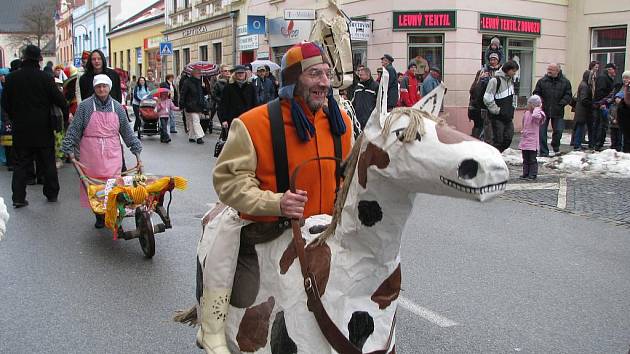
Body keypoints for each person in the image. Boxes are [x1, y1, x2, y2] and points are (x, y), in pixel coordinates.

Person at [199, 40, 352, 354]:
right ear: (292, 81)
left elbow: (350, 180)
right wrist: (276, 202)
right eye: (314, 74)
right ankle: (210, 326)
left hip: (323, 241)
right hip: (268, 234)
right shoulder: (254, 124)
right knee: (222, 256)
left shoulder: (342, 124)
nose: (324, 82)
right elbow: (228, 183)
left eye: (326, 74)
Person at [61, 74, 142, 228]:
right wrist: (69, 148)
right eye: (98, 86)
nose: (101, 89)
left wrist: (136, 150)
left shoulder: (117, 107)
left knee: (113, 184)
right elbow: (75, 129)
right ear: (94, 88)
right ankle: (99, 214)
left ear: (109, 88)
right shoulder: (85, 106)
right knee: (94, 186)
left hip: (112, 151)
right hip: (91, 152)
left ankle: (114, 213)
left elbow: (126, 132)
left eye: (104, 86)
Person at [1, 45, 67, 208]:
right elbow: (60, 100)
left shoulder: (11, 78)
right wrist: (63, 118)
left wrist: (15, 116)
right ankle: (51, 193)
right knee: (48, 162)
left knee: (21, 164)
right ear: (38, 59)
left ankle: (18, 197)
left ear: (23, 58)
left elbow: (4, 104)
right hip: (43, 128)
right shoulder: (45, 78)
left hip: (21, 129)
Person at [533, 63, 572, 157]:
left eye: (552, 69)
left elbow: (568, 95)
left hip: (558, 110)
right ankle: (543, 152)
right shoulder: (542, 81)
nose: (549, 71)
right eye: (548, 69)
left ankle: (555, 145)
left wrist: (561, 103)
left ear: (558, 71)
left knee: (558, 131)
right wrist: (539, 102)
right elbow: (536, 93)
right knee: (542, 132)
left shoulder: (565, 82)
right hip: (544, 110)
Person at [483, 60, 519, 152]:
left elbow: (513, 96)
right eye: (513, 71)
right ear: (507, 69)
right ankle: (493, 158)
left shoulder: (511, 81)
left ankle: (497, 155)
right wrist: (497, 110)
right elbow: (487, 98)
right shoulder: (495, 80)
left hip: (508, 116)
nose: (515, 73)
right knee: (498, 140)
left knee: (508, 138)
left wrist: (512, 108)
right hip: (497, 117)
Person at [219, 65, 257, 131]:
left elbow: (255, 103)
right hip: (233, 118)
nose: (240, 74)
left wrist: (255, 117)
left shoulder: (251, 86)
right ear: (235, 74)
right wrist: (224, 119)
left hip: (247, 117)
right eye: (238, 73)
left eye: (242, 73)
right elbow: (224, 104)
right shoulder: (228, 87)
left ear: (245, 74)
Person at [518, 95, 546, 180]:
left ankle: (533, 174)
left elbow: (535, 116)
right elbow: (524, 123)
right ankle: (525, 173)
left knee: (532, 159)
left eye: (530, 104)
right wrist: (523, 130)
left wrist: (537, 108)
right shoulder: (526, 113)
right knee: (525, 158)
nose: (528, 105)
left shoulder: (538, 114)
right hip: (525, 139)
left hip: (533, 141)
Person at [592, 63, 617, 151]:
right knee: (601, 124)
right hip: (602, 105)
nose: (615, 72)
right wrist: (602, 103)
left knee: (601, 124)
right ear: (609, 70)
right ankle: (597, 144)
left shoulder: (607, 78)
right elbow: (600, 92)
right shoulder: (603, 78)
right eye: (614, 69)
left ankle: (597, 143)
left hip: (603, 104)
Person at [180, 68, 206, 144]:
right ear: (193, 74)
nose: (200, 74)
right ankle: (199, 137)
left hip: (199, 104)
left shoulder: (199, 82)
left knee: (192, 121)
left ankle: (191, 136)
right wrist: (181, 104)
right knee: (196, 120)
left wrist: (204, 87)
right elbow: (183, 93)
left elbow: (204, 93)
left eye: (200, 73)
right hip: (190, 104)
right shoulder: (187, 82)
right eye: (198, 73)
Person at [573, 70, 594, 150]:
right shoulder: (585, 86)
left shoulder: (584, 84)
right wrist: (592, 103)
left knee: (580, 127)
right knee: (580, 127)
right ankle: (577, 144)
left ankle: (577, 144)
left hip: (581, 109)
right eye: (591, 77)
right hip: (582, 110)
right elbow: (584, 99)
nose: (592, 78)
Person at [211, 64, 231, 133]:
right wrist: (221, 101)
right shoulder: (218, 83)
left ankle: (224, 141)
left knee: (230, 128)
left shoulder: (232, 82)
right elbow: (213, 95)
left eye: (229, 71)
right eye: (225, 71)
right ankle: (222, 142)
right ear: (221, 72)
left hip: (230, 109)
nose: (228, 72)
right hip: (221, 109)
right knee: (224, 128)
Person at [616, 71, 630, 153]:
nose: (625, 80)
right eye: (624, 78)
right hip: (622, 114)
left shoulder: (627, 87)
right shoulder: (620, 87)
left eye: (627, 78)